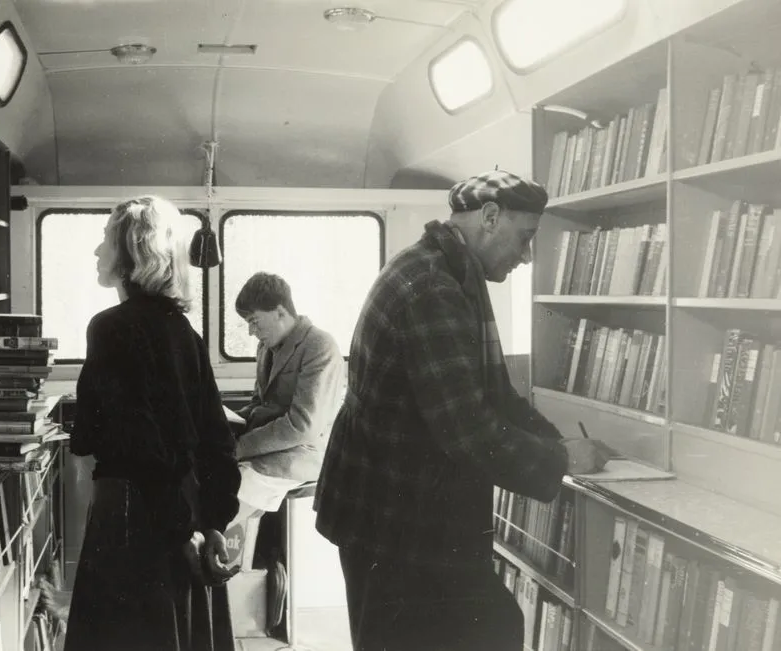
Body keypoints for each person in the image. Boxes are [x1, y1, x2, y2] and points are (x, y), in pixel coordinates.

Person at [313, 170, 615, 651]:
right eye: (526, 237)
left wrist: (555, 440)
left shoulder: (449, 271)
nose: (527, 255)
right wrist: (562, 460)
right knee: (484, 630)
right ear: (490, 217)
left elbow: (493, 394)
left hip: (394, 515)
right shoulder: (433, 286)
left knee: (490, 627)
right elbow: (467, 430)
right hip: (393, 526)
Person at [64, 195, 241, 651]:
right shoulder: (188, 335)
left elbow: (109, 440)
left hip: (132, 514)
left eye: (105, 239)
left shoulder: (110, 328)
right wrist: (212, 523)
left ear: (128, 252)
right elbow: (216, 442)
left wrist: (181, 532)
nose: (97, 252)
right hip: (185, 508)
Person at [227, 273, 344, 563]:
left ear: (280, 312)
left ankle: (231, 574)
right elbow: (259, 404)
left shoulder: (319, 346)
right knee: (221, 477)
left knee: (239, 486)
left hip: (307, 451)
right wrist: (228, 423)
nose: (252, 332)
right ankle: (231, 569)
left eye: (255, 321)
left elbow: (303, 425)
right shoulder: (266, 348)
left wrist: (240, 447)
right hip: (277, 445)